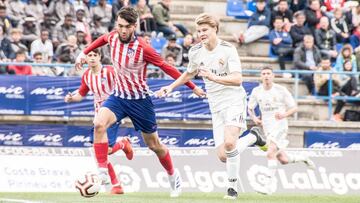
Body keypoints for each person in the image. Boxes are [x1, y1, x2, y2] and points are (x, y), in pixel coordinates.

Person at [75, 7, 205, 198]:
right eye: (119, 26)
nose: (122, 30)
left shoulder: (143, 48)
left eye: (127, 27)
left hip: (140, 101)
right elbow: (102, 39)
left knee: (154, 145)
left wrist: (192, 87)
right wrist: (83, 53)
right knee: (98, 123)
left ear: (134, 26)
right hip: (118, 97)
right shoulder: (113, 36)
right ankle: (102, 173)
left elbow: (167, 67)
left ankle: (172, 175)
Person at [156, 13, 266, 200]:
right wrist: (170, 86)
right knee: (224, 155)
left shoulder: (228, 49)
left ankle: (232, 189)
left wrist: (214, 78)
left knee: (230, 143)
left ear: (215, 29)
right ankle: (253, 137)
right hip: (215, 105)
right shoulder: (195, 51)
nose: (201, 34)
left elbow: (238, 79)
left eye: (204, 30)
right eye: (198, 31)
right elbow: (189, 73)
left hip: (233, 100)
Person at [65, 49, 133, 194]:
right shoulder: (87, 76)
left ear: (100, 57)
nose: (92, 58)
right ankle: (117, 185)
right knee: (100, 152)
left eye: (95, 55)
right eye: (89, 55)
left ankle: (123, 144)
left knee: (105, 150)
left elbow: (124, 81)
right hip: (98, 117)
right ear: (85, 59)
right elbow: (81, 94)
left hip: (112, 113)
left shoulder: (110, 71)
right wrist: (72, 98)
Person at [248, 67, 316, 195]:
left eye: (268, 73)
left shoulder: (281, 90)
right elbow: (250, 108)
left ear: (273, 76)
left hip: (280, 125)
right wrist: (255, 119)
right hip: (267, 128)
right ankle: (304, 158)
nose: (266, 76)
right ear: (260, 76)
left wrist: (283, 115)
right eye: (263, 74)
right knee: (283, 159)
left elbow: (294, 108)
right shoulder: (256, 91)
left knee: (270, 152)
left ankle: (268, 187)